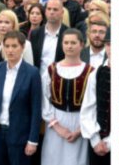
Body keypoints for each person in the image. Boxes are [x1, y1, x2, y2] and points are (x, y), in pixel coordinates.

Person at [0, 31, 42, 165]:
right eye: (7, 46)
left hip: (20, 134)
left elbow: (36, 108)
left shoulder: (32, 73)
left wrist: (32, 140)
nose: (10, 50)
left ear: (23, 47)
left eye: (14, 46)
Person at [41, 28, 93, 165]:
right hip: (55, 121)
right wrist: (57, 126)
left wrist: (79, 131)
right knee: (53, 159)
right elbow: (44, 99)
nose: (69, 46)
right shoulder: (51, 69)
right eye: (66, 42)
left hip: (80, 122)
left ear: (81, 45)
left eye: (73, 43)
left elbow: (94, 104)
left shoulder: (90, 72)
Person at [80, 30, 111, 165]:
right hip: (97, 143)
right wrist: (95, 140)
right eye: (109, 44)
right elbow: (88, 108)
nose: (112, 49)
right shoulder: (97, 73)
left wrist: (109, 142)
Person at [29, 0, 67, 74]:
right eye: (49, 9)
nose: (51, 12)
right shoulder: (35, 34)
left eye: (55, 9)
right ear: (45, 11)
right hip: (38, 79)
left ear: (62, 13)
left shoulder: (68, 34)